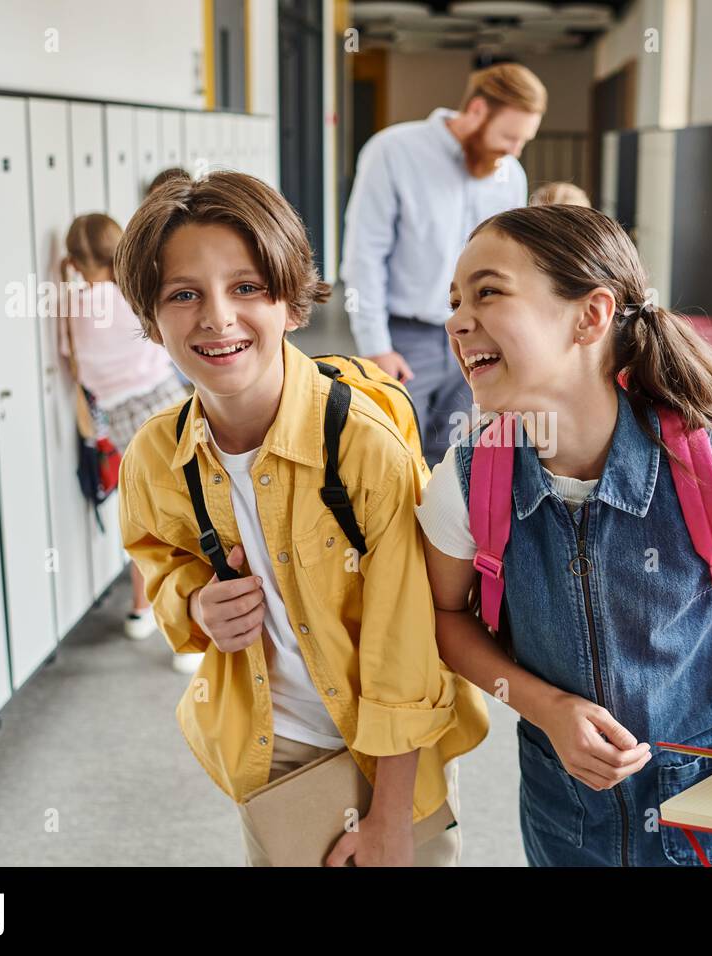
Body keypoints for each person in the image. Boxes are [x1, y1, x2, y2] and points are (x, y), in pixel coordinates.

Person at [415, 204, 712, 866]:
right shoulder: (466, 481)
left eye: (488, 291)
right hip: (564, 806)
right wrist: (545, 708)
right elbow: (444, 616)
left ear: (591, 315)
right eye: (456, 299)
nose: (458, 319)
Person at [114, 171, 487, 866]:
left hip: (389, 753)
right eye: (183, 294)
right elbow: (158, 559)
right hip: (271, 745)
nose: (217, 317)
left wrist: (390, 819)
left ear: (290, 301)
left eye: (247, 287)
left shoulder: (361, 446)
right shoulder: (156, 456)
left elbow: (407, 644)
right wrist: (196, 603)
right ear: (149, 318)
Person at [339, 62, 547, 465]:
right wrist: (376, 346)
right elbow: (364, 254)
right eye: (508, 137)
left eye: (524, 141)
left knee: (458, 454)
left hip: (480, 336)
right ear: (476, 111)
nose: (514, 151)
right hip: (405, 338)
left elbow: (514, 265)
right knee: (390, 454)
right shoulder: (393, 151)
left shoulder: (511, 174)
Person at [58, 213, 191, 659]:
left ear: (75, 261)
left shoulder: (73, 307)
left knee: (145, 513)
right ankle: (189, 639)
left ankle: (142, 609)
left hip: (116, 418)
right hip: (163, 403)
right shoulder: (129, 295)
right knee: (190, 510)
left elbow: (75, 367)